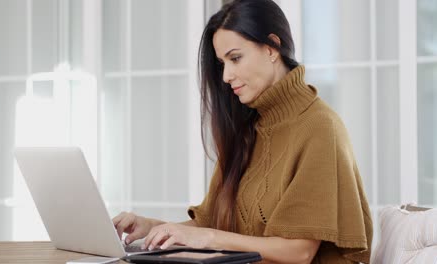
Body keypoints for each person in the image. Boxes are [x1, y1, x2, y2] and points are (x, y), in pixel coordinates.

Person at [112, 0, 373, 263]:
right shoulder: (249, 129)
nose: (226, 76)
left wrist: (209, 239)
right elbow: (213, 224)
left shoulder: (319, 128)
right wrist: (152, 228)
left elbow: (299, 252)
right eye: (222, 63)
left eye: (235, 58)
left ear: (272, 48)